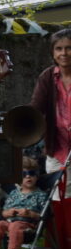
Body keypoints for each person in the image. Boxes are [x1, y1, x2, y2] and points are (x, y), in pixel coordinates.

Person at [31, 28, 71, 200]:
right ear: (52, 52)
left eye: (69, 48)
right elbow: (36, 107)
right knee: (56, 198)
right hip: (56, 146)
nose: (64, 53)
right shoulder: (47, 76)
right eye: (59, 48)